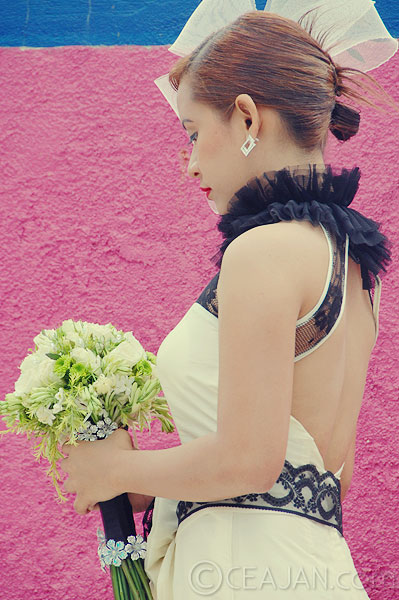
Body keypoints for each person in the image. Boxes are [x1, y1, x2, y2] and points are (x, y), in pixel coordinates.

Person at [60, 3, 398, 599]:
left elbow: (250, 459)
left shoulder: (261, 252)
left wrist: (114, 469)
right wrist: (151, 485)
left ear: (246, 118)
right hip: (310, 566)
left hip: (239, 572)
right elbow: (305, 480)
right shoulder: (355, 269)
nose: (190, 164)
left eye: (193, 132)